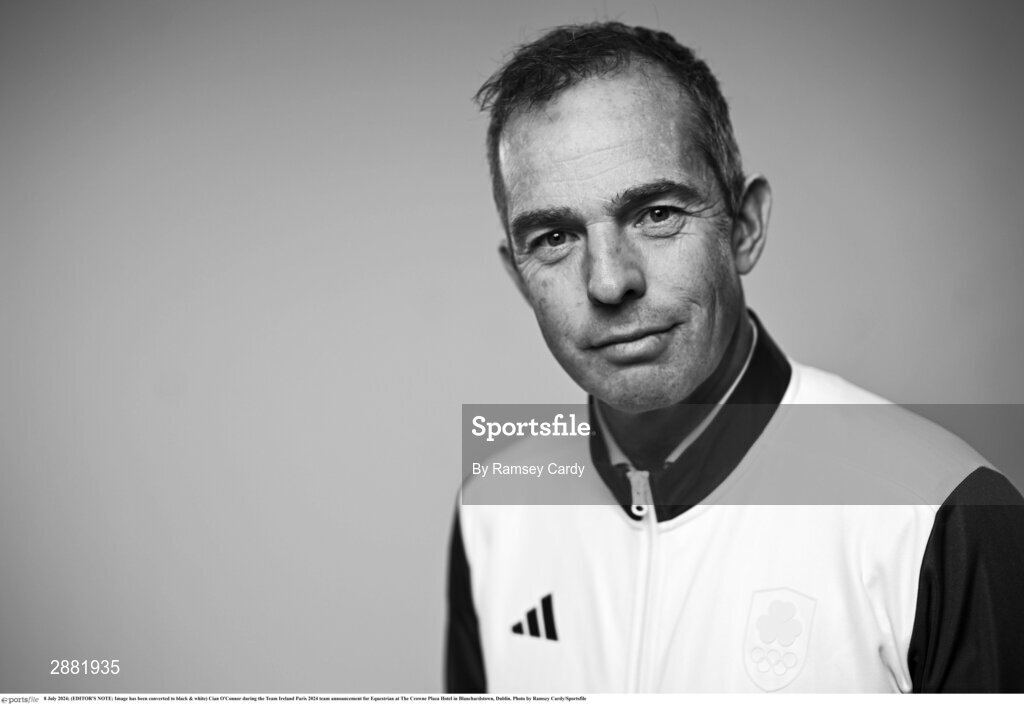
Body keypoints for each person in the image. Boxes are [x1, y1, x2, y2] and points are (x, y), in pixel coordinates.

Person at [446, 22, 1024, 693]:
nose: (608, 282)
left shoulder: (947, 517)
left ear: (745, 228)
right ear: (520, 278)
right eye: (553, 236)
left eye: (656, 213)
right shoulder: (493, 515)